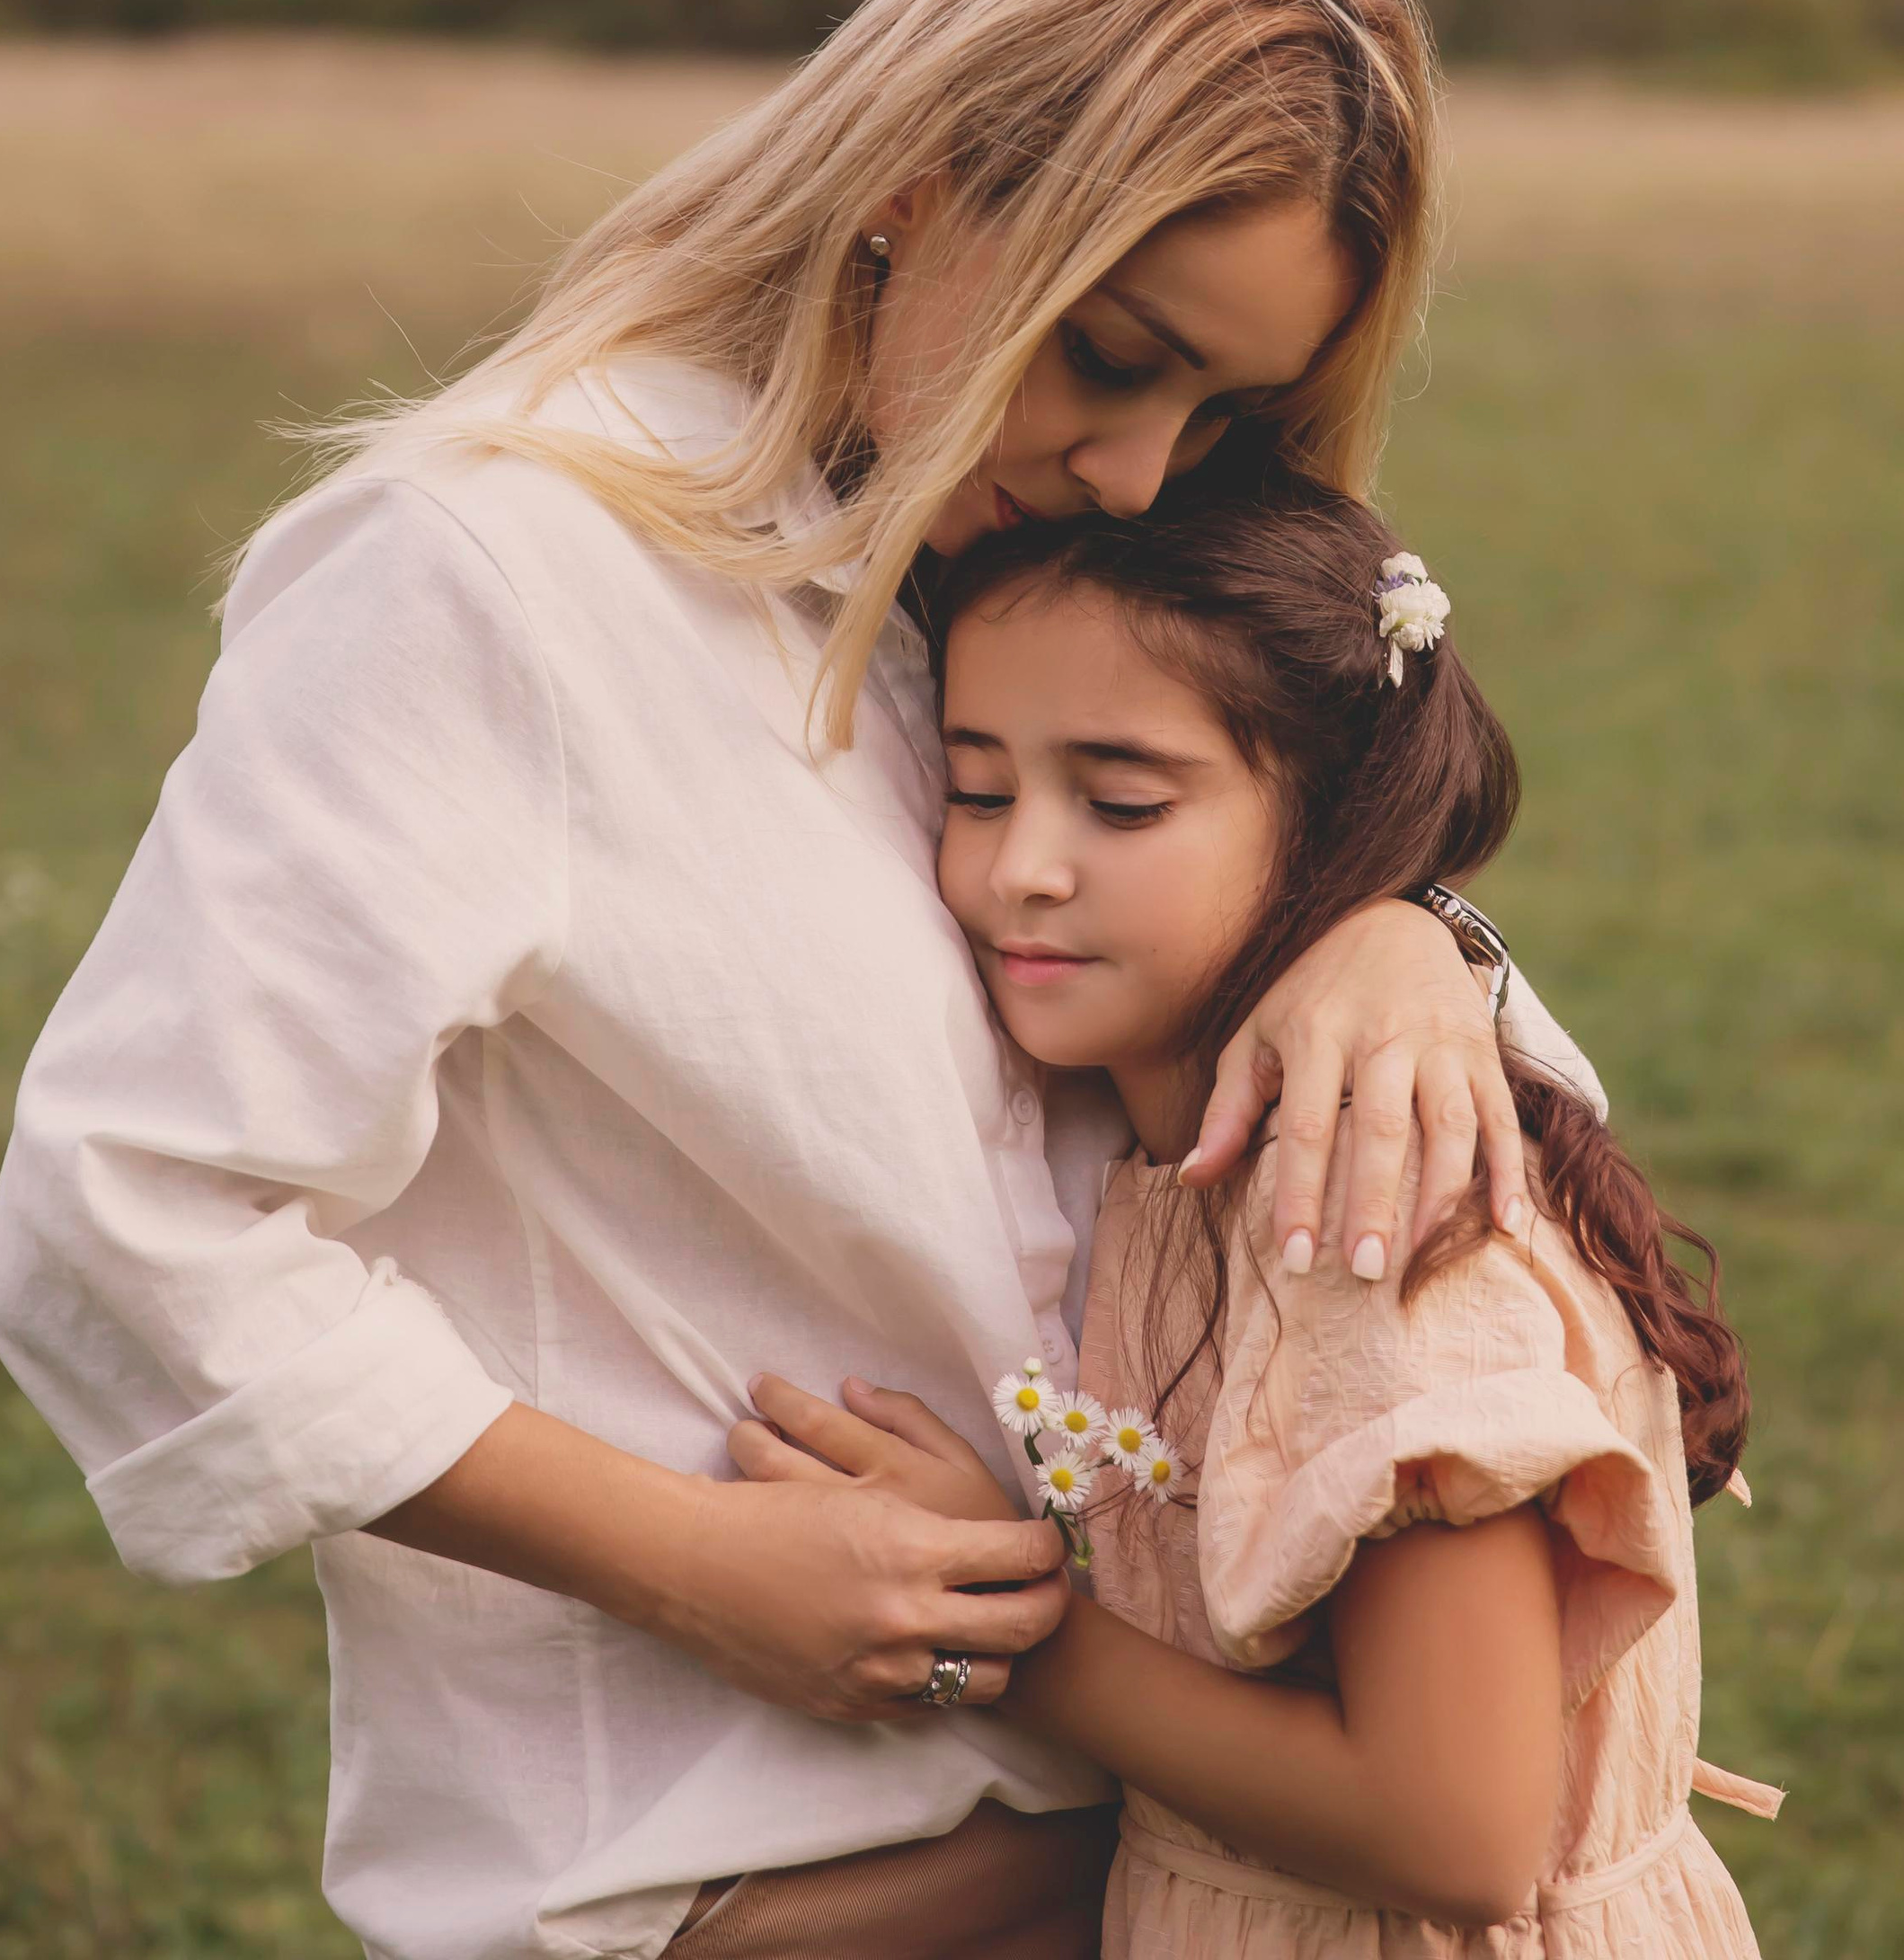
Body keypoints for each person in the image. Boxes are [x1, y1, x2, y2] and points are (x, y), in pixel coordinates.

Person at [0, 0, 1593, 1960]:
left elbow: (1278, 1034)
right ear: (912, 190)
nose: (1140, 462)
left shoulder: (1039, 580)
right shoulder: (493, 573)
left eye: (1221, 409)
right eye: (1108, 353)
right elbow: (125, 1211)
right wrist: (683, 1556)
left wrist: (1397, 932)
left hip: (1156, 1853)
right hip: (734, 1886)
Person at [739, 480, 1775, 1955]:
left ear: (1333, 828)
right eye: (977, 788)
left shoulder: (1364, 1230)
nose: (1020, 866)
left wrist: (1009, 1622)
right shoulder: (1180, 1155)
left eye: (1122, 802)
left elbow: (1457, 1833)